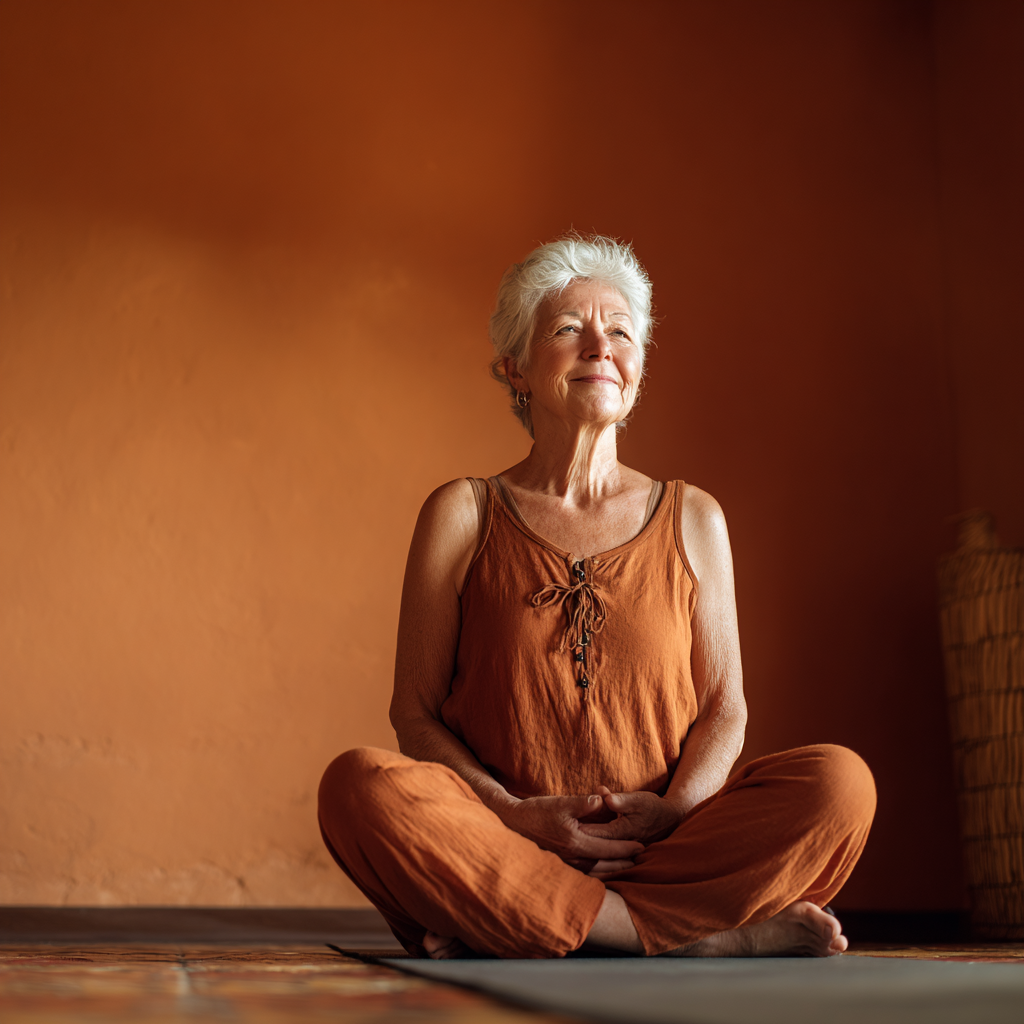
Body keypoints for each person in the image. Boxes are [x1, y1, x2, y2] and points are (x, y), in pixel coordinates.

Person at [318, 235, 876, 959]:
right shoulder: (462, 512)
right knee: (358, 787)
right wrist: (518, 817)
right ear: (513, 367)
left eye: (619, 330)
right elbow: (415, 716)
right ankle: (689, 940)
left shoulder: (694, 517)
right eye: (567, 329)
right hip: (503, 843)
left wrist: (673, 813)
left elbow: (724, 710)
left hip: (660, 853)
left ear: (638, 370)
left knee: (841, 784)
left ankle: (535, 926)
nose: (599, 346)